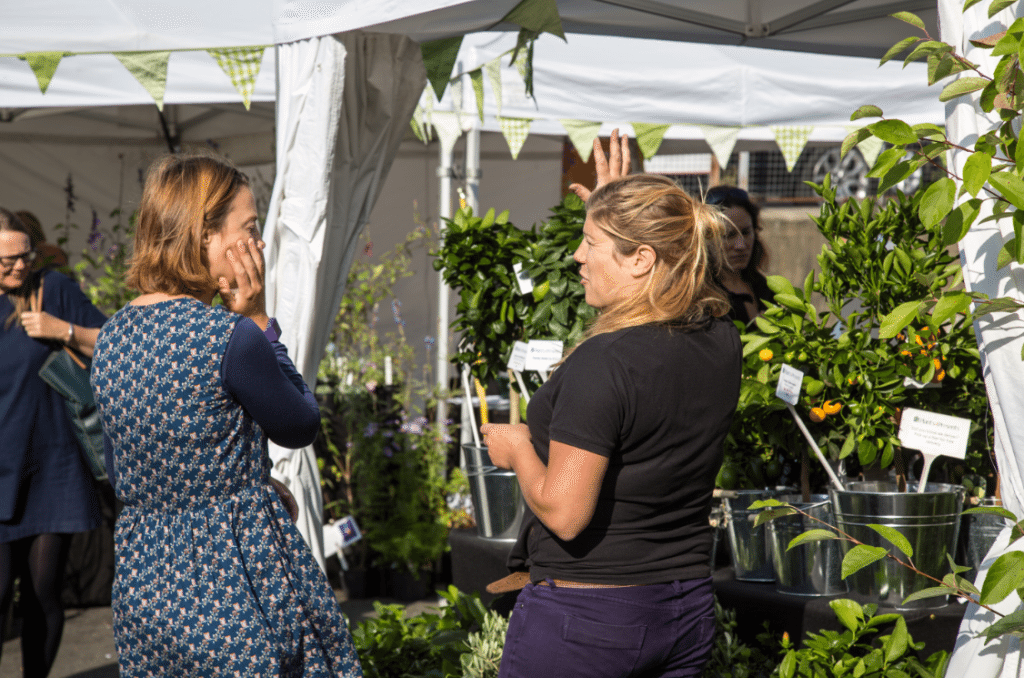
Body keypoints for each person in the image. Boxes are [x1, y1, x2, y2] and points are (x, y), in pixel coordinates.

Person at [481, 130, 742, 678]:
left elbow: (565, 513)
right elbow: (642, 325)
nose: (577, 256)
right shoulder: (720, 339)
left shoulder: (606, 362)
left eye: (591, 244)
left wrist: (520, 450)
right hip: (685, 609)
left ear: (642, 258)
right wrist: (614, 206)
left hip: (589, 620)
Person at [89, 153, 361, 677]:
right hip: (230, 568)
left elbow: (125, 464)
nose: (258, 245)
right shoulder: (230, 338)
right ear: (203, 236)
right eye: (250, 229)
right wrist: (260, 320)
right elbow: (299, 424)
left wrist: (245, 483)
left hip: (146, 570)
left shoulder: (113, 336)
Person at [0, 208, 105, 677]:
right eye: (6, 262)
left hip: (51, 465)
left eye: (26, 255)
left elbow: (114, 342)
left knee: (43, 591)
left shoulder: (54, 290)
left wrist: (62, 330)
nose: (19, 267)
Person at [704, 184, 772, 325]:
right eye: (729, 235)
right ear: (705, 237)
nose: (741, 245)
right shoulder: (701, 298)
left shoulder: (762, 286)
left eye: (746, 232)